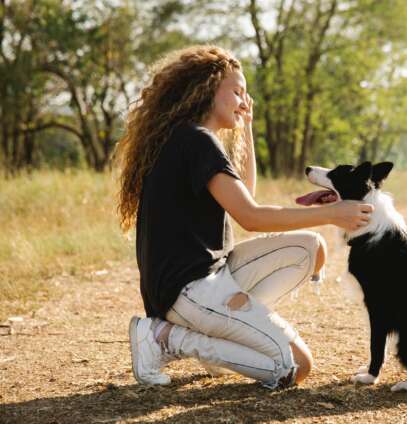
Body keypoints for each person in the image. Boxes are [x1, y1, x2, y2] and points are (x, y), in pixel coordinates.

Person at [115, 45, 373, 389]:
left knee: (311, 249)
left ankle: (222, 336)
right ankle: (168, 338)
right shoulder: (196, 141)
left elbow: (245, 197)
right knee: (296, 367)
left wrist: (246, 127)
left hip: (209, 277)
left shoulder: (190, 138)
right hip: (188, 290)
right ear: (206, 89)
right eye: (237, 91)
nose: (243, 100)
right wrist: (331, 213)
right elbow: (251, 217)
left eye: (245, 94)